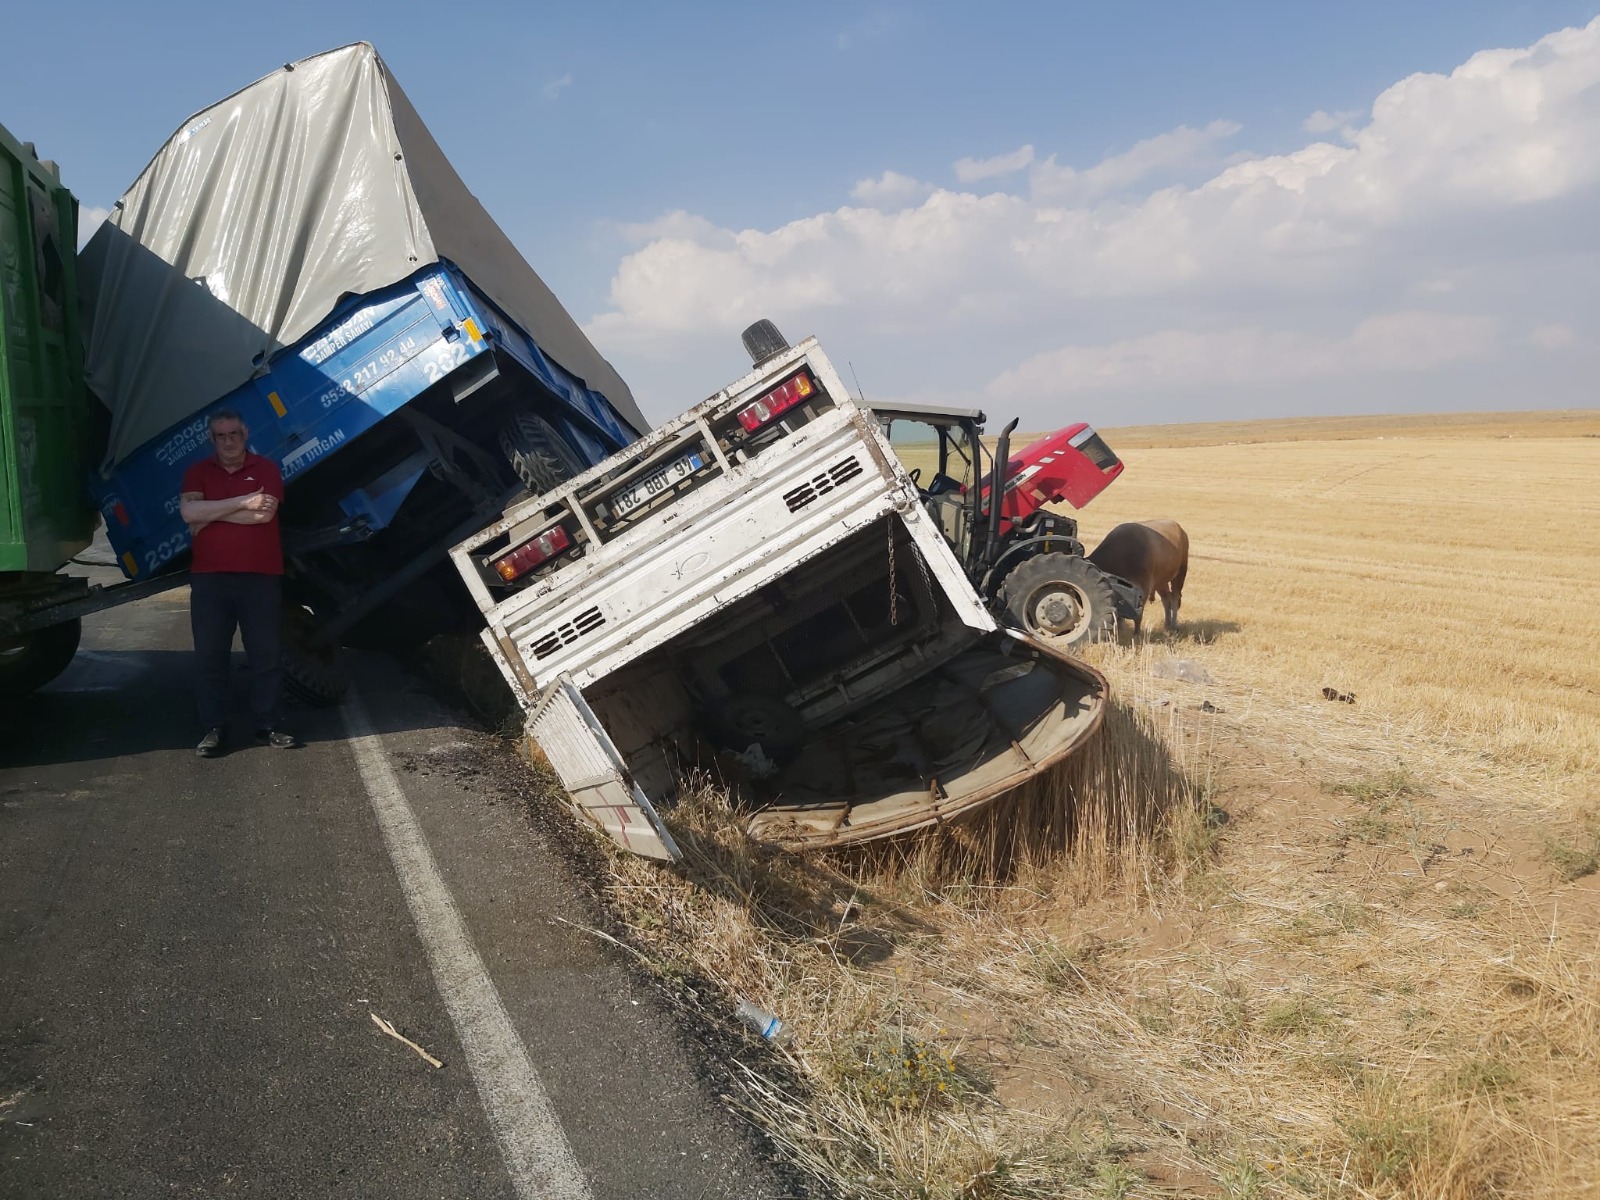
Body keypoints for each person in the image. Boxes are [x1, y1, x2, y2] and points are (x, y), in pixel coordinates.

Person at [178, 410, 300, 757]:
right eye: (221, 436)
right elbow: (189, 514)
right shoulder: (197, 472)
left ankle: (269, 725)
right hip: (209, 579)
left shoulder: (266, 469)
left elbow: (264, 514)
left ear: (245, 434)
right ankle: (214, 728)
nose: (228, 441)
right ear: (211, 439)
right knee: (210, 657)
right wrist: (244, 502)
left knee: (266, 654)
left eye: (234, 434)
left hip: (260, 577)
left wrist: (212, 512)